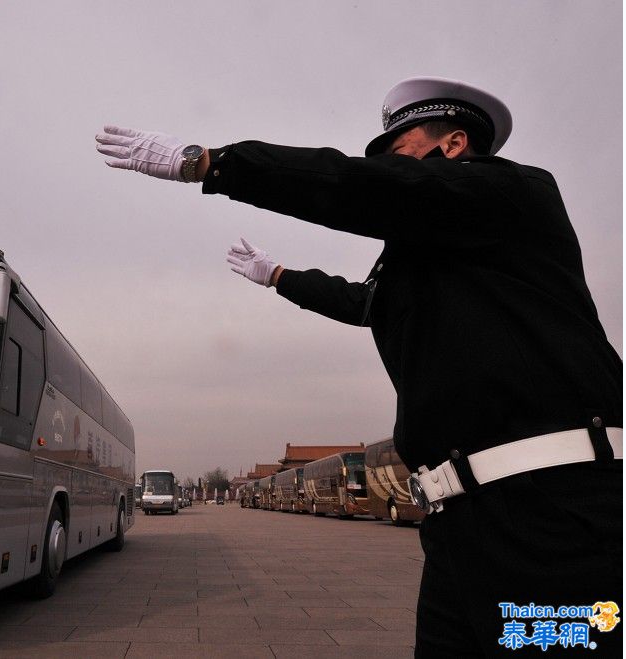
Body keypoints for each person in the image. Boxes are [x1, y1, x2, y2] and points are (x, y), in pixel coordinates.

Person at [96, 77, 623, 657]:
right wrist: (280, 277)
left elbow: (359, 186)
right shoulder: (425, 258)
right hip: (458, 524)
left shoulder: (514, 193)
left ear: (451, 144)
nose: (391, 170)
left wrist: (214, 165)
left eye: (400, 154)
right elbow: (366, 303)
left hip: (555, 509)